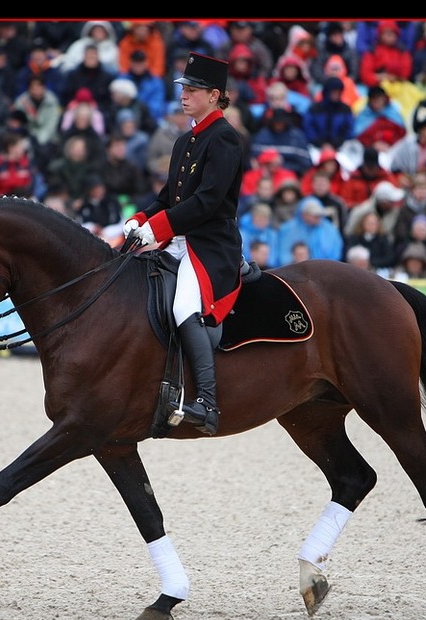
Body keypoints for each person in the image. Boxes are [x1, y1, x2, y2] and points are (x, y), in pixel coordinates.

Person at [121, 53, 243, 436]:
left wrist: (157, 227)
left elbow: (206, 202)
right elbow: (167, 197)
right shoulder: (184, 141)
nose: (184, 95)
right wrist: (140, 219)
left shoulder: (224, 138)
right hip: (178, 239)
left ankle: (206, 402)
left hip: (209, 246)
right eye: (183, 89)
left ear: (214, 95)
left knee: (183, 306)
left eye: (192, 90)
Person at [277, 196, 344, 265]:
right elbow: (283, 256)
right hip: (293, 269)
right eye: (315, 216)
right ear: (303, 215)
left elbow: (336, 253)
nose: (319, 218)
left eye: (320, 215)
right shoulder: (288, 229)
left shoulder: (329, 229)